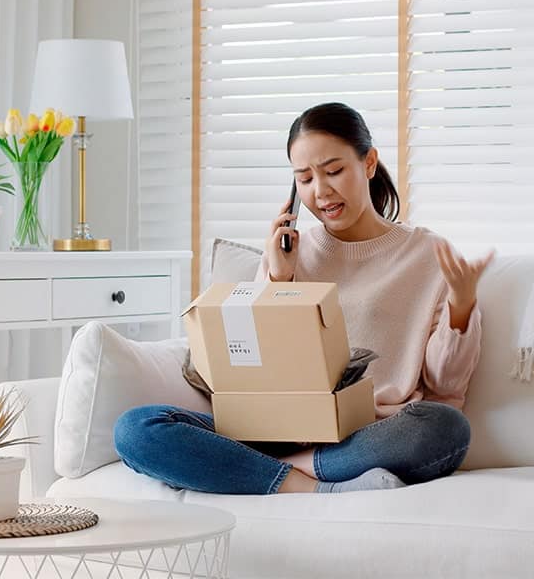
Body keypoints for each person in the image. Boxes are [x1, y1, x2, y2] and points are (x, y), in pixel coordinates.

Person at [114, 102, 495, 494]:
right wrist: (278, 277)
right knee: (135, 429)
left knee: (445, 428)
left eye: (334, 171)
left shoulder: (428, 254)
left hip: (366, 435)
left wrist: (461, 306)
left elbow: (446, 383)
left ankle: (273, 472)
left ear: (369, 163)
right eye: (305, 179)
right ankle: (309, 486)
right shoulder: (289, 255)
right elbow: (250, 368)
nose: (321, 191)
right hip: (273, 429)